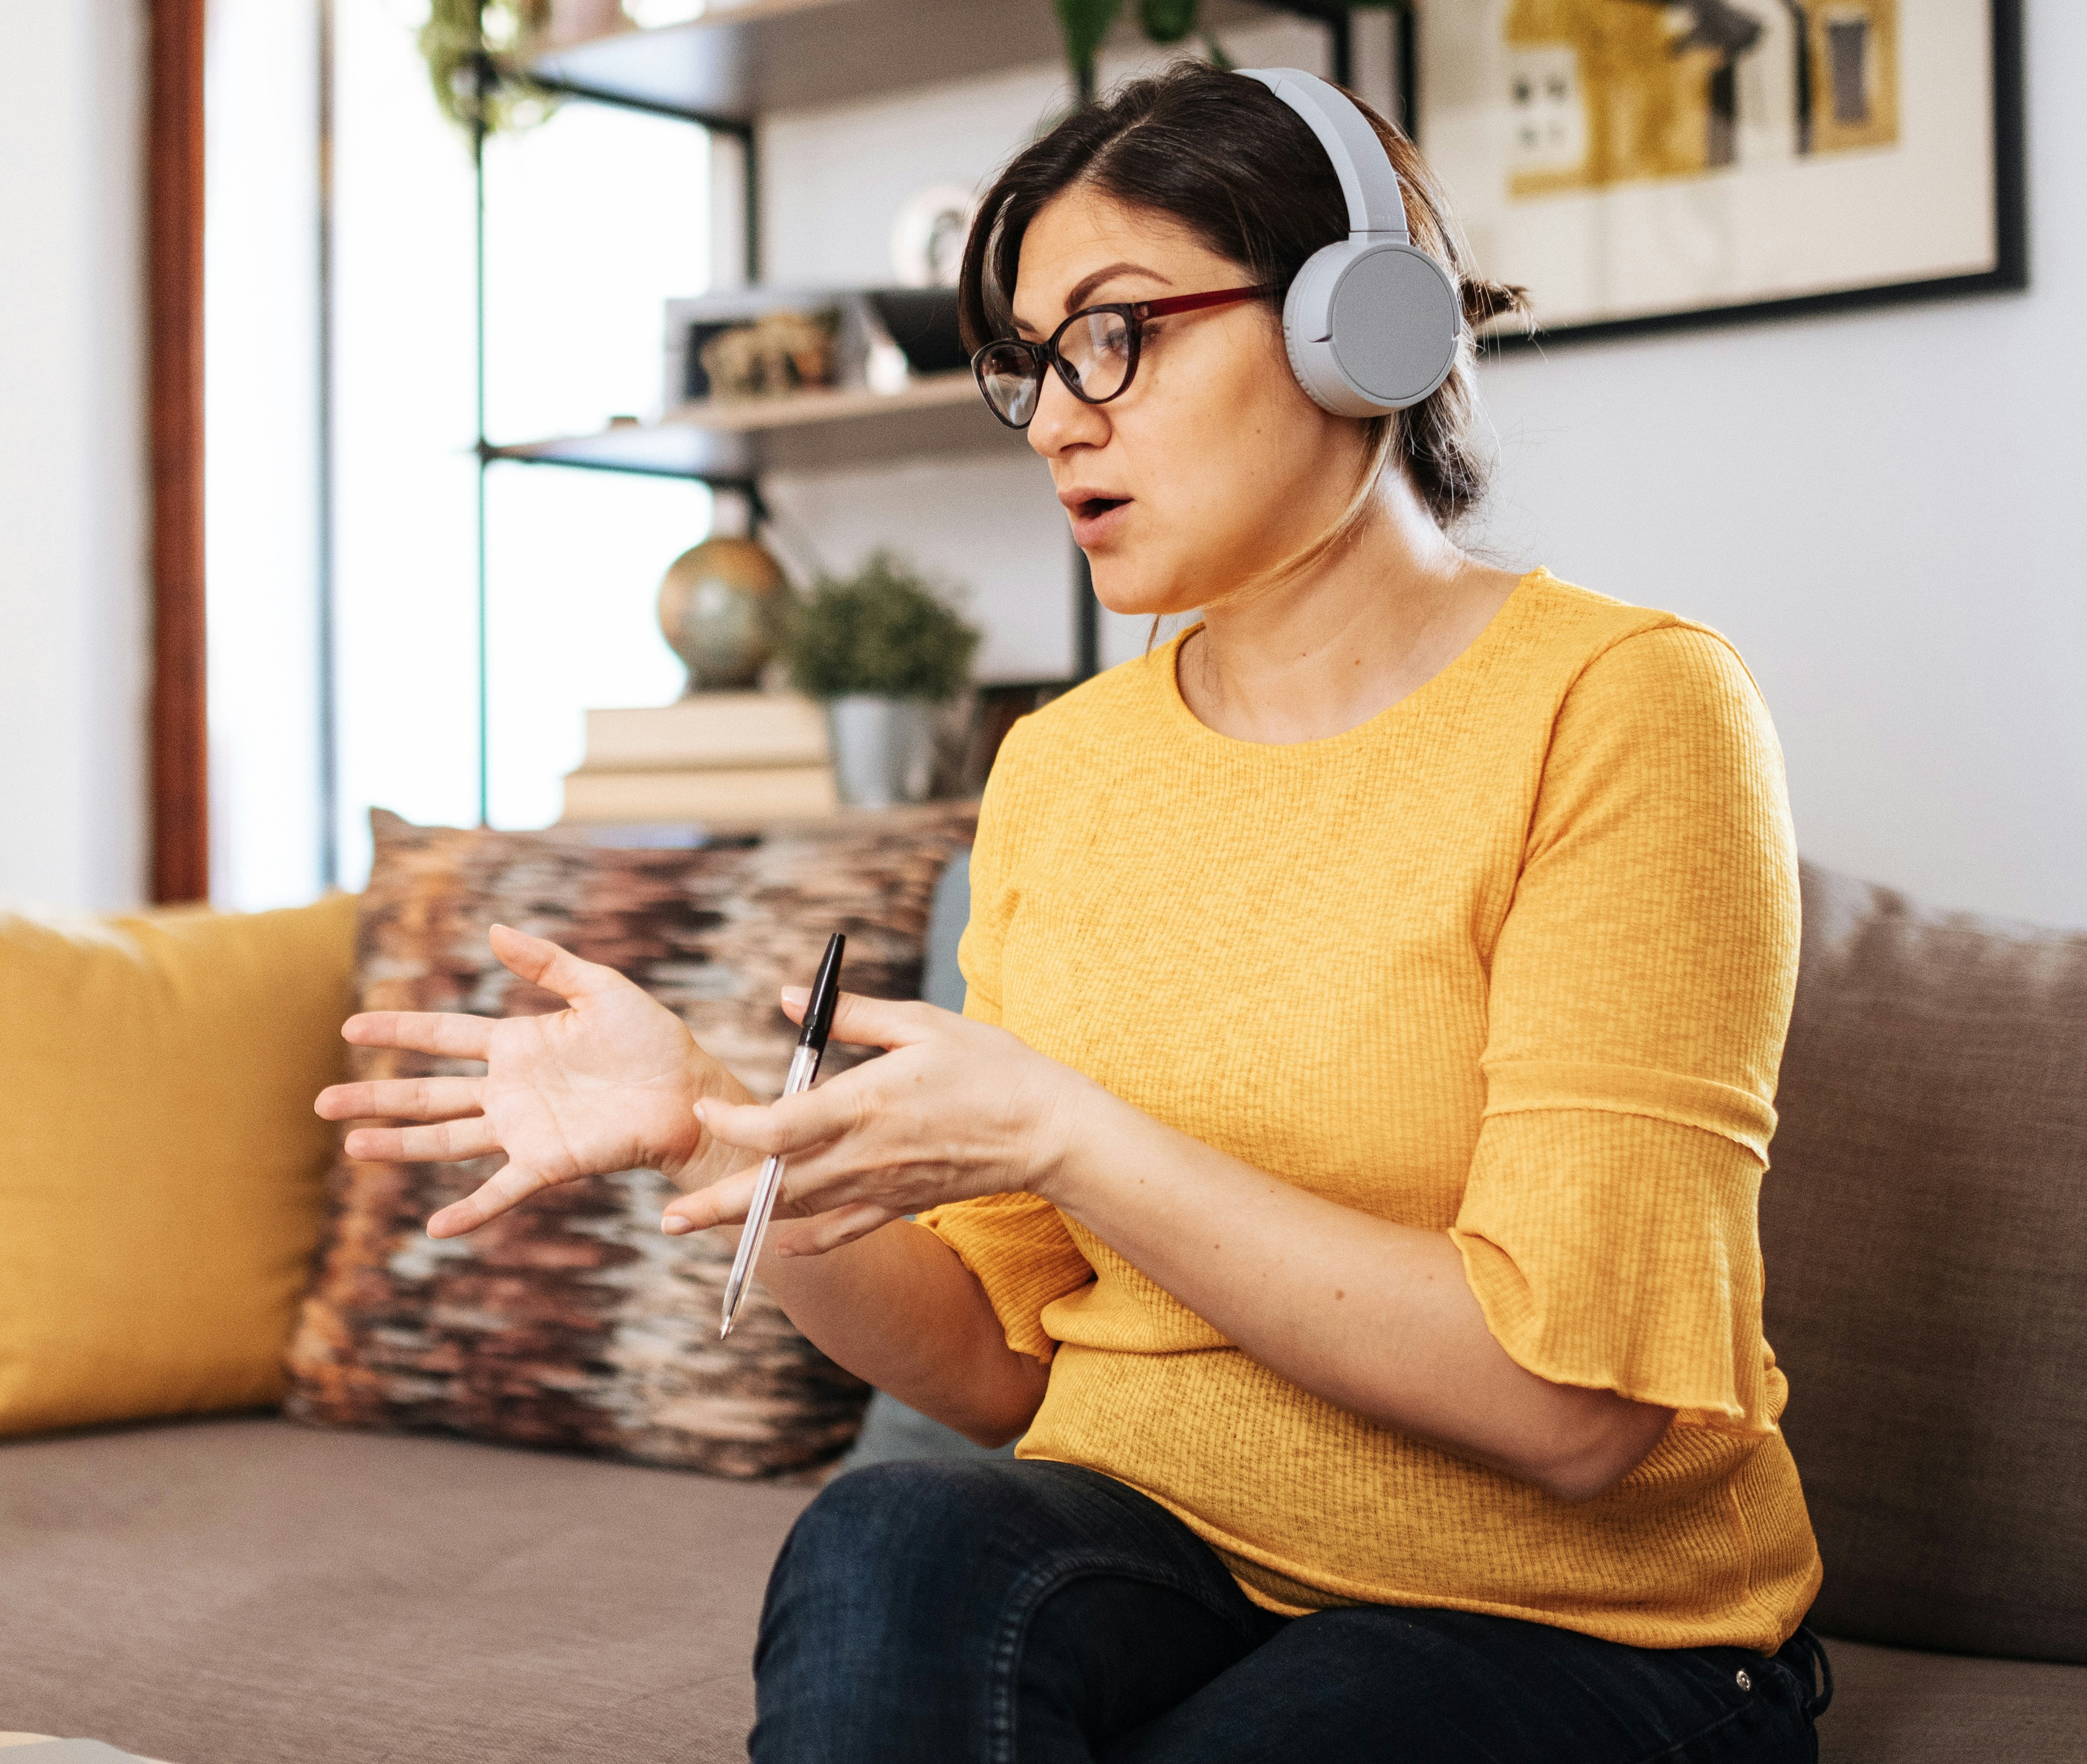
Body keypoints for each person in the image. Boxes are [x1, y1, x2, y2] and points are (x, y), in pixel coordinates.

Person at [315, 62, 1827, 1764]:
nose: (1053, 418)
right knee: (887, 1537)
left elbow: (1573, 1410)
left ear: (1357, 323)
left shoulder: (1627, 709)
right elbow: (992, 1365)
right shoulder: (1061, 769)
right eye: (1029, 365)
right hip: (1165, 1558)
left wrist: (1064, 1133)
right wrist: (723, 1142)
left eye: (1116, 334)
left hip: (1579, 1628)